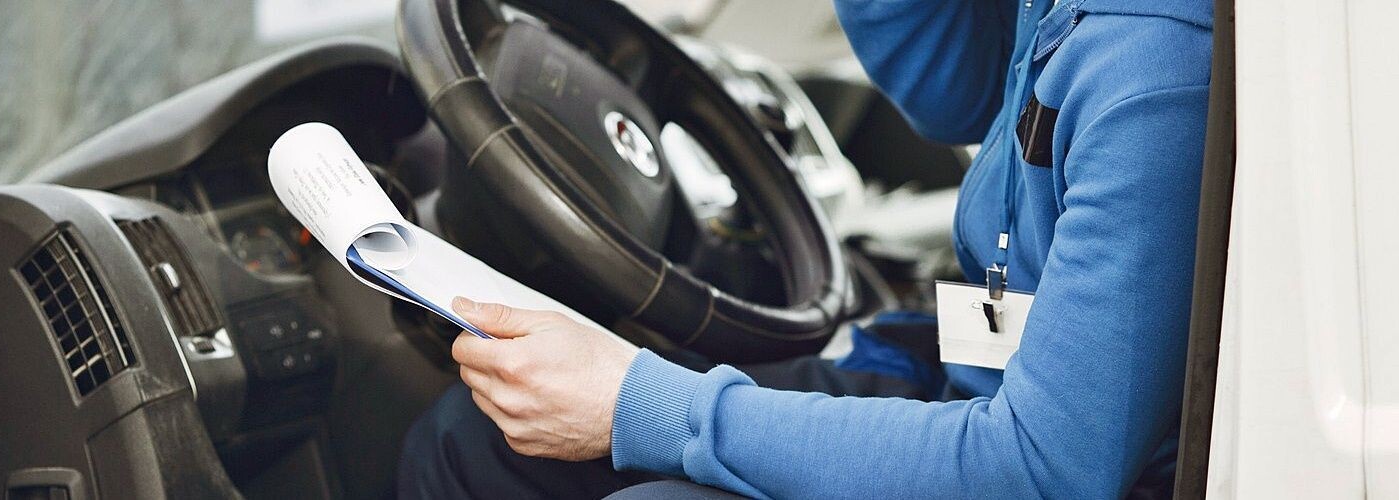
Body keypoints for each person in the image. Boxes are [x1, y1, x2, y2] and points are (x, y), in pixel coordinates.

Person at [398, 0, 1214, 497]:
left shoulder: (1157, 66)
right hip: (969, 365)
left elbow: (1040, 470)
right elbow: (957, 94)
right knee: (472, 439)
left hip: (1031, 454)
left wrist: (634, 404)